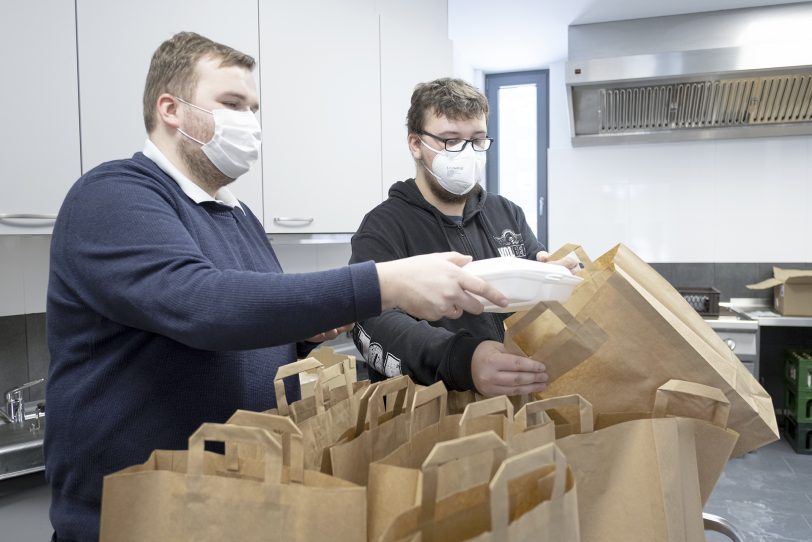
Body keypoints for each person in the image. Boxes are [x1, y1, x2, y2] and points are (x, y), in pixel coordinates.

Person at [44, 34, 507, 542]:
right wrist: (385, 283)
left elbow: (254, 322)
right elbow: (205, 306)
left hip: (232, 505)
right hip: (135, 517)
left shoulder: (237, 216)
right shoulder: (115, 194)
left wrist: (306, 333)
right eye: (231, 104)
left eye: (254, 107)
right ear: (171, 109)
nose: (249, 122)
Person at [350, 77, 578, 397]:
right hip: (426, 415)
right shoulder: (384, 227)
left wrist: (554, 277)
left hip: (514, 403)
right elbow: (371, 321)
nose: (466, 153)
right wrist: (461, 359)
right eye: (451, 140)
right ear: (416, 144)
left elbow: (530, 302)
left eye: (477, 139)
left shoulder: (507, 213)